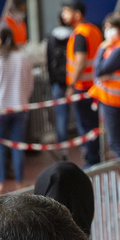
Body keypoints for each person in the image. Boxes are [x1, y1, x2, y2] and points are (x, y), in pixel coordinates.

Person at [0, 24, 34, 193]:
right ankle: (20, 181)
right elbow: (29, 84)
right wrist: (23, 97)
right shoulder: (22, 57)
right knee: (18, 145)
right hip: (20, 105)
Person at [62, 0, 103, 167]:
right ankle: (94, 158)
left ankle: (91, 161)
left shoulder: (80, 34)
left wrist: (71, 85)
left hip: (83, 89)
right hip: (95, 87)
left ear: (77, 15)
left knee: (86, 127)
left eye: (67, 11)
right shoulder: (94, 30)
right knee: (93, 125)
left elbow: (81, 61)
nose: (64, 15)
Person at [90, 12, 120, 162]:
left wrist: (102, 48)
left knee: (116, 143)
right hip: (110, 99)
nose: (106, 31)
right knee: (114, 141)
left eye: (110, 27)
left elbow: (98, 70)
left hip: (114, 100)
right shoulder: (115, 47)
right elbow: (99, 71)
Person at [46, 15, 73, 147]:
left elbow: (48, 61)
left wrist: (51, 81)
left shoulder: (51, 38)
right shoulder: (74, 36)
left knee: (61, 114)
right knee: (79, 116)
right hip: (72, 81)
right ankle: (85, 145)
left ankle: (62, 145)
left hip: (57, 81)